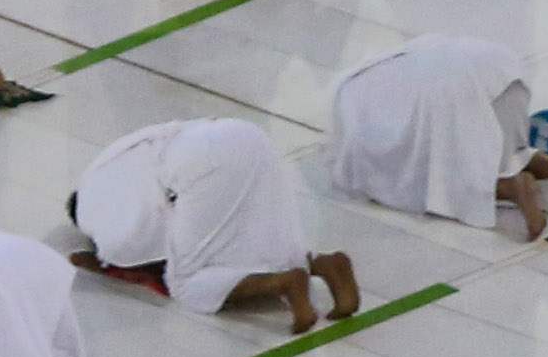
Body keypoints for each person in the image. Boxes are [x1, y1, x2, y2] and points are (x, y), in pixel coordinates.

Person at [66, 117, 357, 339]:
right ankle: (324, 264)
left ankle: (283, 283)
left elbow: (126, 245)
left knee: (185, 282)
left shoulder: (94, 209)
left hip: (199, 166)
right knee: (257, 240)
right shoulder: (109, 165)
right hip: (243, 135)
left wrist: (101, 263)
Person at [328, 36, 548, 243]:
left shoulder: (355, 99)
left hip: (461, 94)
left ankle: (510, 188)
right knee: (511, 152)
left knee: (452, 178)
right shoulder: (398, 60)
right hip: (505, 74)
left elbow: (388, 154)